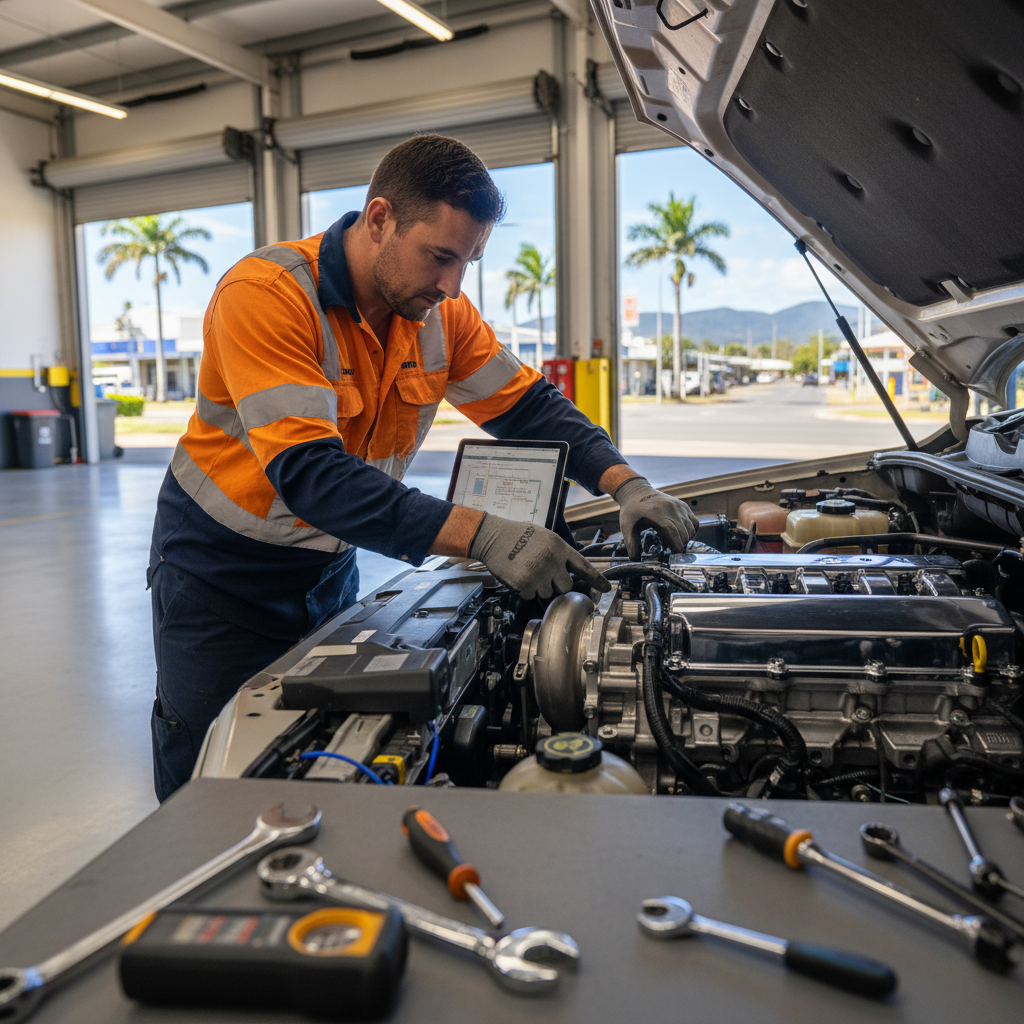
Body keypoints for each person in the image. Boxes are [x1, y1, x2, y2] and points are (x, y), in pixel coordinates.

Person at [148, 134, 698, 801]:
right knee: (211, 766)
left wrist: (624, 483)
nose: (451, 285)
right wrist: (485, 535)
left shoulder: (441, 314)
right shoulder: (266, 295)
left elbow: (530, 408)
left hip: (326, 565)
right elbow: (311, 475)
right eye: (440, 256)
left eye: (467, 261)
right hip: (219, 575)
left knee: (314, 748)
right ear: (379, 219)